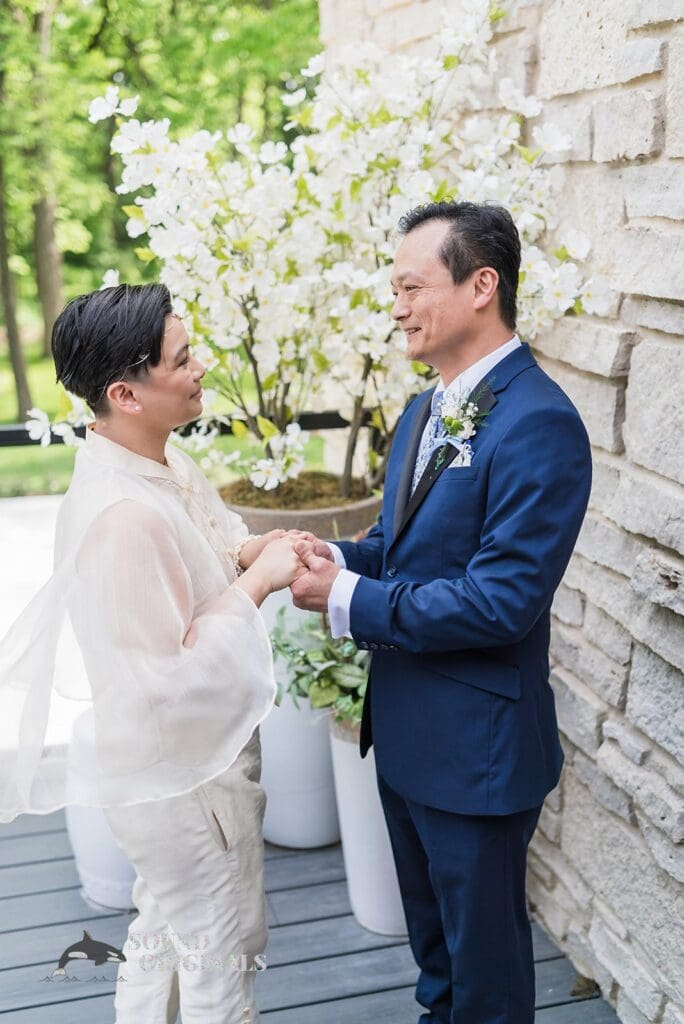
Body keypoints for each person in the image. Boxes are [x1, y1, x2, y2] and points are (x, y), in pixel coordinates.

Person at [291, 201, 592, 1024]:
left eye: (411, 286)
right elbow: (399, 543)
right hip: (408, 738)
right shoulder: (425, 410)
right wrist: (333, 560)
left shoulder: (541, 425)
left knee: (486, 979)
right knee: (436, 964)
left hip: (479, 759)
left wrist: (347, 599)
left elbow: (501, 602)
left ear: (482, 285)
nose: (396, 306)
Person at [0, 283, 310, 1023]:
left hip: (169, 768)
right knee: (223, 957)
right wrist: (262, 581)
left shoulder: (149, 461)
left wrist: (243, 550)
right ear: (125, 393)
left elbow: (198, 542)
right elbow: (172, 679)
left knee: (166, 937)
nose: (202, 366)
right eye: (182, 358)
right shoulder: (124, 515)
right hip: (183, 784)